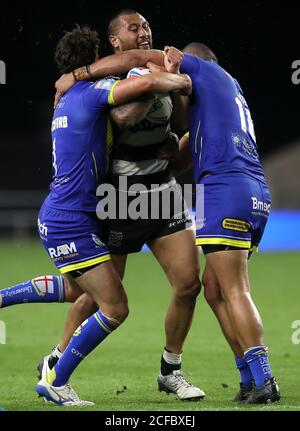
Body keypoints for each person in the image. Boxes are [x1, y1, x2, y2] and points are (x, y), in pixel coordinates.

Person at [0, 25, 192, 406]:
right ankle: (56, 380)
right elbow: (137, 87)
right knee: (115, 307)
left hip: (67, 213)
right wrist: (179, 76)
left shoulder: (66, 100)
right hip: (70, 217)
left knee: (76, 290)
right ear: (98, 59)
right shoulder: (91, 94)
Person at [161, 42, 281, 404]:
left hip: (225, 190)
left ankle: (265, 381)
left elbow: (171, 68)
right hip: (253, 192)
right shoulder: (227, 99)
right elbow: (178, 160)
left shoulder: (203, 69)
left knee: (234, 289)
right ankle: (248, 378)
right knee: (213, 289)